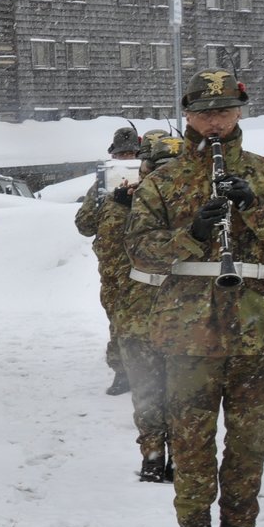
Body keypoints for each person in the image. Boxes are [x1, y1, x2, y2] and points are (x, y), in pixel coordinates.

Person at [125, 70, 264, 527]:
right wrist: (194, 234)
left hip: (258, 331)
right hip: (187, 331)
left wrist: (253, 209)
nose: (215, 121)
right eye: (205, 113)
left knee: (250, 439)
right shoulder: (163, 181)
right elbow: (139, 251)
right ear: (188, 116)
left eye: (224, 111)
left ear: (239, 113)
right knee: (191, 436)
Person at [101, 137, 173, 482]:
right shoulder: (128, 200)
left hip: (187, 308)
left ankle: (183, 455)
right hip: (138, 306)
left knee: (186, 391)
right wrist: (119, 206)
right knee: (146, 387)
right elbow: (110, 254)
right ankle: (153, 455)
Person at [76, 126, 146, 394]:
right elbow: (83, 225)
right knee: (118, 319)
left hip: (148, 266)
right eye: (121, 155)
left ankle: (152, 372)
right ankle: (122, 372)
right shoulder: (102, 187)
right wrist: (111, 202)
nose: (126, 159)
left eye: (132, 154)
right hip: (114, 269)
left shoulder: (155, 182)